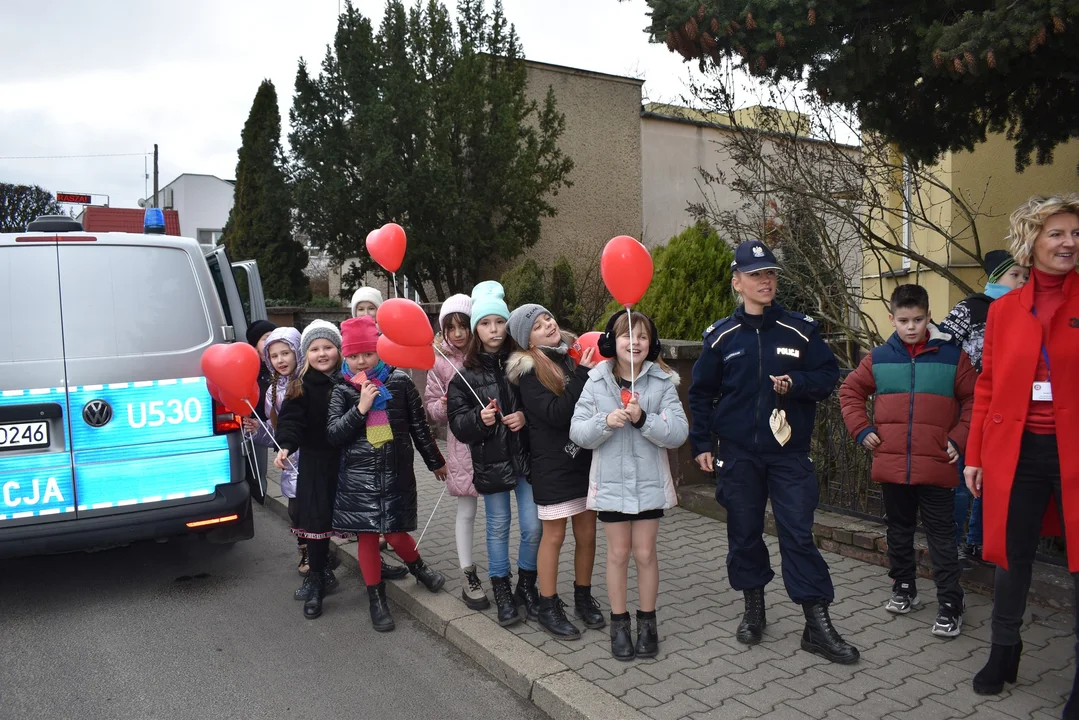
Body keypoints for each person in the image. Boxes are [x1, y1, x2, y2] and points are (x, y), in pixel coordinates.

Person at [686, 239, 859, 664]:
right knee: (743, 535)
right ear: (737, 282)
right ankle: (754, 609)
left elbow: (825, 377)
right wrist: (703, 443)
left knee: (798, 534)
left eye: (771, 274)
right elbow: (701, 394)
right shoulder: (721, 336)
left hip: (788, 454)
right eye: (756, 274)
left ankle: (816, 624)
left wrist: (796, 384)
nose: (766, 281)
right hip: (739, 455)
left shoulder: (800, 330)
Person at [963, 194, 1079, 711]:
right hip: (1018, 451)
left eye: (1075, 234)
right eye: (1056, 233)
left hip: (1075, 452)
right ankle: (1003, 650)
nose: (1069, 242)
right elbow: (986, 385)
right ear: (1031, 241)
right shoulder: (1005, 309)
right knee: (1012, 557)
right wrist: (975, 455)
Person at [839, 284, 976, 638]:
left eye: (918, 319)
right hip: (893, 465)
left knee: (942, 538)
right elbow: (850, 391)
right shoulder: (879, 357)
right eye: (903, 320)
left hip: (936, 465)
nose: (911, 327)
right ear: (892, 319)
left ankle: (950, 605)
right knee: (898, 533)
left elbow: (976, 401)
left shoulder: (952, 357)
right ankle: (903, 589)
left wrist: (958, 438)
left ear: (929, 316)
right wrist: (860, 428)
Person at [569, 311, 688, 660]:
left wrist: (643, 420)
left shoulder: (662, 382)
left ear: (650, 343)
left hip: (649, 483)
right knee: (619, 554)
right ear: (613, 341)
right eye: (626, 335)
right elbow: (578, 432)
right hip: (610, 485)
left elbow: (678, 434)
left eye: (641, 336)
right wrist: (605, 421)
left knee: (646, 553)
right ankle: (619, 623)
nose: (634, 342)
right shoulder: (596, 381)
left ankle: (648, 622)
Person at [327, 316, 448, 632]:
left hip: (395, 472)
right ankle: (376, 598)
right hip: (358, 479)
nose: (360, 361)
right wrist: (361, 408)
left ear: (379, 350)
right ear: (345, 357)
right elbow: (334, 435)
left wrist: (435, 461)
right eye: (353, 356)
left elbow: (420, 427)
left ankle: (418, 568)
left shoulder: (400, 382)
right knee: (367, 538)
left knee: (395, 533)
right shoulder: (340, 389)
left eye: (367, 353)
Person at [506, 303, 604, 640]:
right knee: (555, 536)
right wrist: (583, 376)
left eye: (548, 317)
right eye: (537, 325)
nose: (548, 324)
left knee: (588, 535)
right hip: (552, 466)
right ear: (527, 340)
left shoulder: (572, 356)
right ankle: (548, 605)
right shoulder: (530, 372)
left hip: (583, 461)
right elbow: (556, 414)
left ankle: (582, 596)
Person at [447, 282, 539, 626]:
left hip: (526, 460)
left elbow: (543, 407)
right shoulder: (464, 376)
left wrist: (525, 418)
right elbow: (458, 425)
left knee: (533, 527)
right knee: (498, 526)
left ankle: (526, 585)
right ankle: (501, 588)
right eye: (485, 324)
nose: (494, 330)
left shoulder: (525, 363)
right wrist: (480, 419)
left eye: (499, 322)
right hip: (492, 462)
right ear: (476, 330)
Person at [939, 251, 1029, 565]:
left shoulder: (1025, 310)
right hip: (968, 408)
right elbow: (941, 348)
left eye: (1024, 276)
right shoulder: (972, 308)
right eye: (1015, 275)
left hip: (1005, 409)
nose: (1021, 281)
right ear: (996, 277)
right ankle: (948, 547)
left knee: (993, 480)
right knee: (964, 478)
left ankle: (978, 544)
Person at [273, 320, 345, 620]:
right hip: (315, 463)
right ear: (307, 354)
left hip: (349, 462)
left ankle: (374, 574)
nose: (322, 353)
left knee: (364, 520)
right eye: (314, 348)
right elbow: (292, 421)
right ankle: (316, 577)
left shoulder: (351, 380)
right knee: (315, 524)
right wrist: (286, 446)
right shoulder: (299, 385)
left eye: (328, 347)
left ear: (339, 351)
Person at [425, 293, 491, 610]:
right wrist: (442, 405)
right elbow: (432, 411)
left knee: (497, 514)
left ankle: (502, 575)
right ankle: (468, 573)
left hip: (494, 444)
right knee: (466, 511)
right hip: (462, 446)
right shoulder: (439, 362)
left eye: (463, 325)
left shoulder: (488, 355)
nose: (458, 333)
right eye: (450, 327)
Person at [243, 320, 277, 504]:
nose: (271, 341)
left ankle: (260, 493)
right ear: (255, 345)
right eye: (266, 338)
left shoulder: (280, 366)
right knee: (255, 468)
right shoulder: (249, 369)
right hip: (254, 428)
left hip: (275, 429)